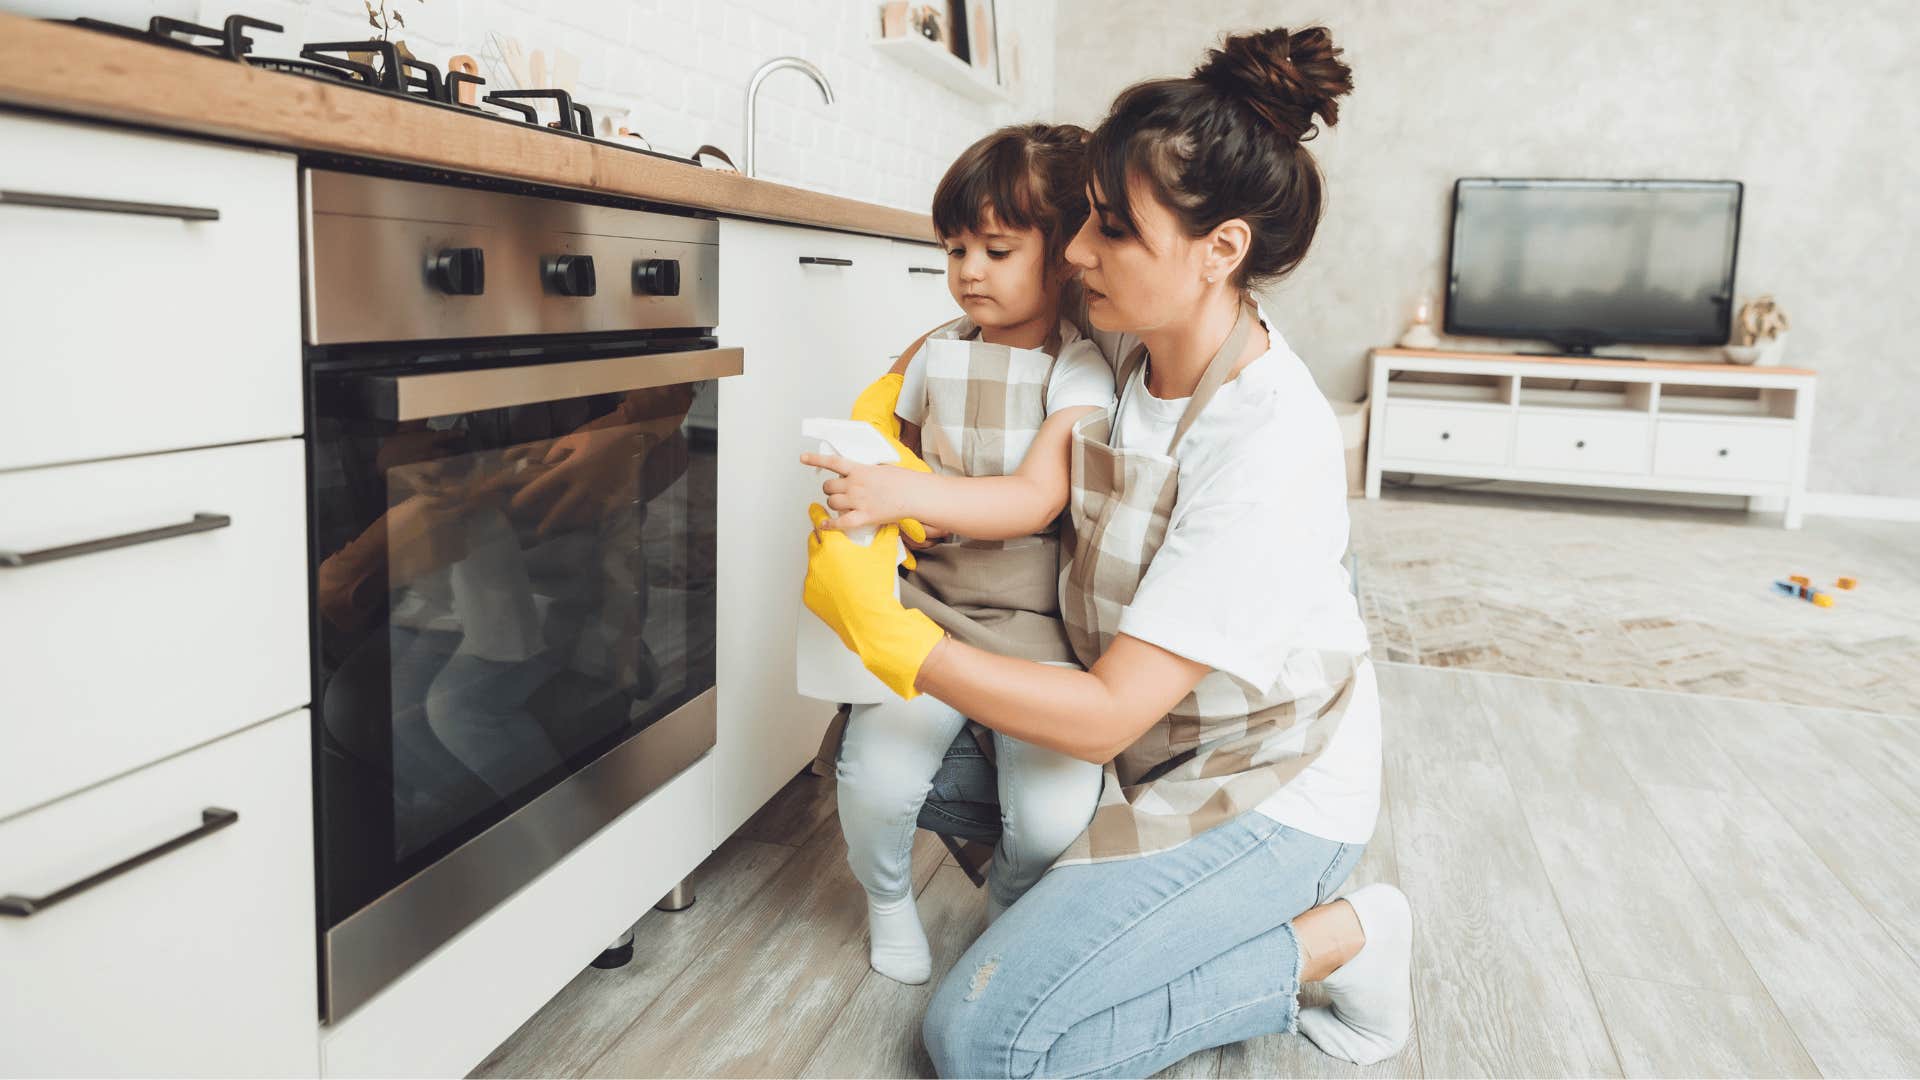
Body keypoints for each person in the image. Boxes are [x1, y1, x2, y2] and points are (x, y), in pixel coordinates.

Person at [803, 25, 1413, 1076]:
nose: (1076, 250)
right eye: (1085, 215)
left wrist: (892, 636)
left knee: (983, 1044)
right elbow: (955, 343)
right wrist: (882, 433)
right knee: (862, 759)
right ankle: (1093, 924)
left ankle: (1344, 941)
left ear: (1221, 249)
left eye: (1114, 229)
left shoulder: (1269, 440)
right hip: (1140, 741)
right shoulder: (1125, 336)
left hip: (1260, 782)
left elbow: (1102, 718)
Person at [806, 123, 1117, 986]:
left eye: (996, 248)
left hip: (1037, 624)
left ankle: (1009, 910)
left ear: (1063, 256)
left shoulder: (1079, 366)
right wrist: (870, 487)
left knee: (1055, 817)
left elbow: (1035, 500)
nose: (969, 269)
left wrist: (906, 492)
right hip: (930, 605)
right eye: (954, 249)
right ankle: (887, 900)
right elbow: (886, 443)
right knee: (873, 773)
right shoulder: (937, 354)